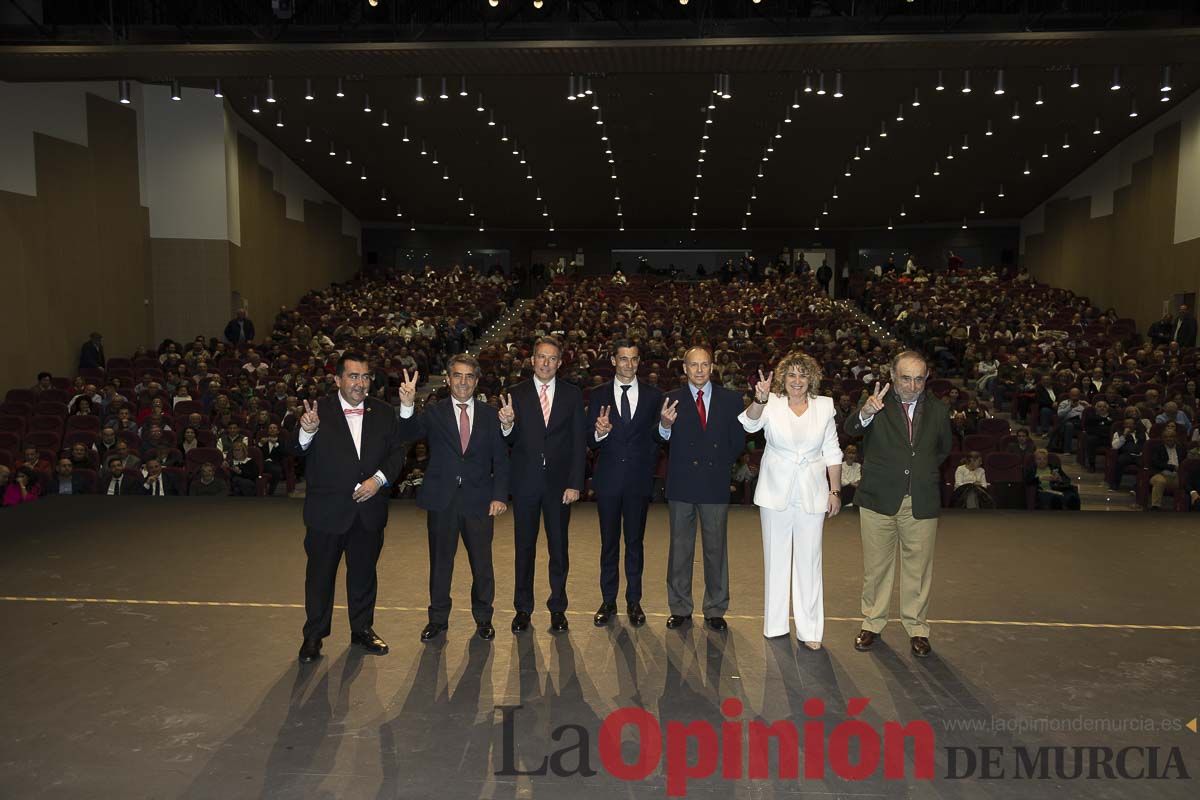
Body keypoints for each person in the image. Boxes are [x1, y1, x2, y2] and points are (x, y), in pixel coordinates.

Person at [282, 351, 406, 664]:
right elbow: (294, 449)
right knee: (320, 577)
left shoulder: (384, 412)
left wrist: (378, 480)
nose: (360, 383)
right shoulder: (317, 410)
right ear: (337, 379)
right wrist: (307, 431)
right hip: (327, 512)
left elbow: (396, 454)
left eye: (365, 376)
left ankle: (362, 629)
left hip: (369, 510)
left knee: (364, 575)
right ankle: (313, 636)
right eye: (353, 376)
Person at [844, 351, 953, 659]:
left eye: (919, 378)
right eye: (906, 378)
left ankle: (917, 629)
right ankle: (872, 623)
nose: (913, 385)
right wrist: (866, 411)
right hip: (878, 498)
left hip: (921, 499)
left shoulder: (939, 410)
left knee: (918, 570)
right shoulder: (876, 402)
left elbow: (943, 449)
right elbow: (852, 429)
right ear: (893, 376)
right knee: (876, 567)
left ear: (927, 377)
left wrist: (921, 471)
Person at [395, 357, 510, 643]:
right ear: (447, 379)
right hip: (442, 500)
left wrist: (499, 495)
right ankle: (437, 619)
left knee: (482, 565)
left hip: (480, 502)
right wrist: (408, 405)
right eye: (457, 376)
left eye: (469, 376)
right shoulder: (433, 413)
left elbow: (502, 459)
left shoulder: (490, 415)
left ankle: (484, 618)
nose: (463, 381)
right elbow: (408, 434)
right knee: (440, 564)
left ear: (476, 380)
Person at [737, 354, 842, 649]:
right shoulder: (770, 402)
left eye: (803, 375)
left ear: (812, 379)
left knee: (810, 561)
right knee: (776, 559)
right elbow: (749, 427)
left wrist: (834, 490)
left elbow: (833, 451)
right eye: (792, 375)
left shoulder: (824, 406)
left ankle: (810, 631)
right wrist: (759, 399)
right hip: (775, 492)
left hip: (812, 492)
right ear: (783, 377)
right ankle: (775, 625)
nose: (797, 381)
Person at [659, 344, 749, 632]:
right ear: (684, 368)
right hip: (682, 485)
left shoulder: (731, 400)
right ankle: (680, 608)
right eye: (694, 365)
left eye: (705, 364)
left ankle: (715, 609)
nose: (699, 370)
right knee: (680, 550)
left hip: (714, 485)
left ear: (713, 367)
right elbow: (659, 440)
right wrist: (664, 425)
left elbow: (738, 442)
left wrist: (719, 463)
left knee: (715, 551)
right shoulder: (669, 400)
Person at [501, 336, 586, 634]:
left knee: (558, 550)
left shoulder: (573, 394)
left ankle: (558, 609)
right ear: (532, 360)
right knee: (523, 549)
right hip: (525, 484)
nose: (546, 363)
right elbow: (507, 441)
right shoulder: (515, 393)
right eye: (541, 357)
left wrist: (575, 482)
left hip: (559, 487)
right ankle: (522, 609)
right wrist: (507, 424)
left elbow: (579, 441)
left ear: (560, 363)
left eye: (552, 358)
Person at [587, 339, 664, 628]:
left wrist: (665, 428)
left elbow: (658, 437)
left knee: (634, 543)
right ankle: (608, 601)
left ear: (639, 361)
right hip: (608, 480)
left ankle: (634, 601)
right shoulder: (597, 395)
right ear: (613, 361)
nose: (628, 364)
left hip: (638, 481)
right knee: (608, 544)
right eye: (623, 359)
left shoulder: (654, 396)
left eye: (633, 359)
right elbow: (588, 439)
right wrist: (600, 432)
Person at [1148, 425, 1184, 510]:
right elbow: (1156, 463)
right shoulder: (1158, 448)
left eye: (1171, 437)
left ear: (1175, 438)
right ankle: (1155, 506)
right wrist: (1172, 467)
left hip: (1176, 476)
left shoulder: (1180, 448)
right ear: (1163, 438)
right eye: (1166, 437)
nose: (1169, 439)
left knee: (1186, 482)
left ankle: (1182, 507)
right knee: (1160, 481)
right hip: (1159, 474)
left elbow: (1184, 462)